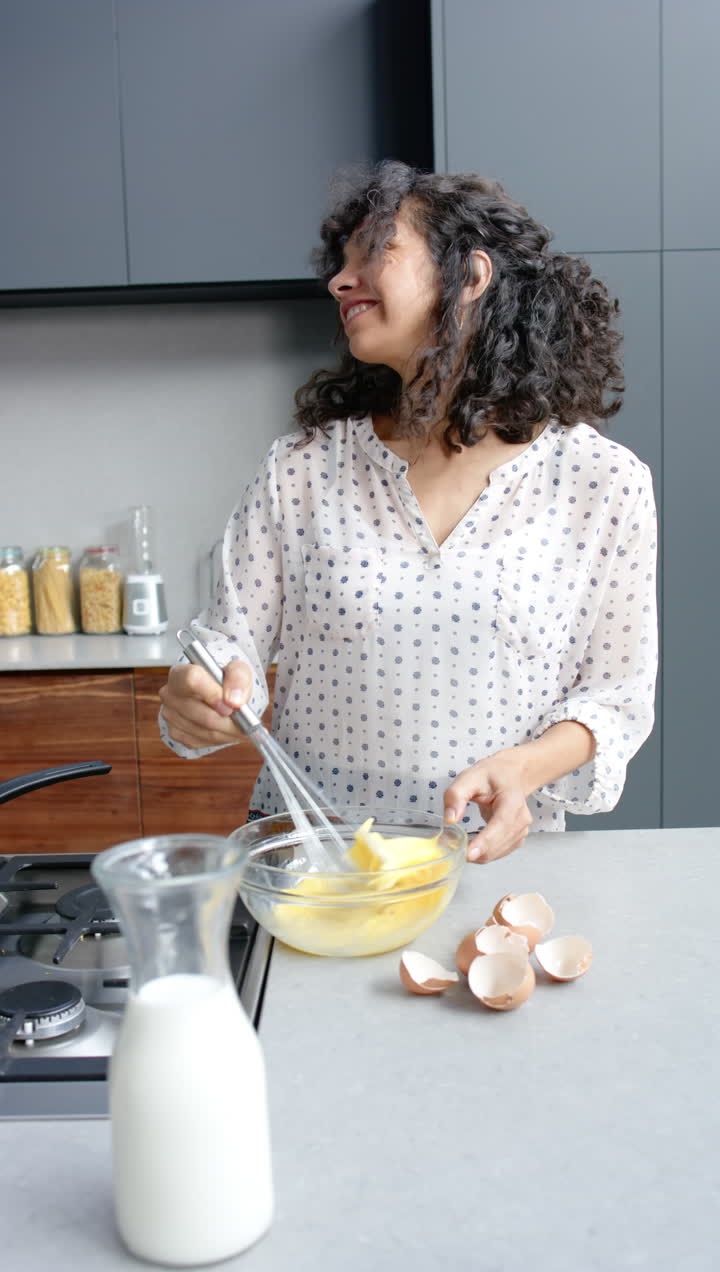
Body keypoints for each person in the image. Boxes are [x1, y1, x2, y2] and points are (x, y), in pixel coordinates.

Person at [159, 161, 658, 864]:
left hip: (497, 864)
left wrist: (524, 769)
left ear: (472, 277)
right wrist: (201, 693)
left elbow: (615, 698)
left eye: (376, 252)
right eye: (340, 262)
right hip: (319, 868)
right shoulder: (301, 471)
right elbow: (225, 645)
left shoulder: (601, 484)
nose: (339, 280)